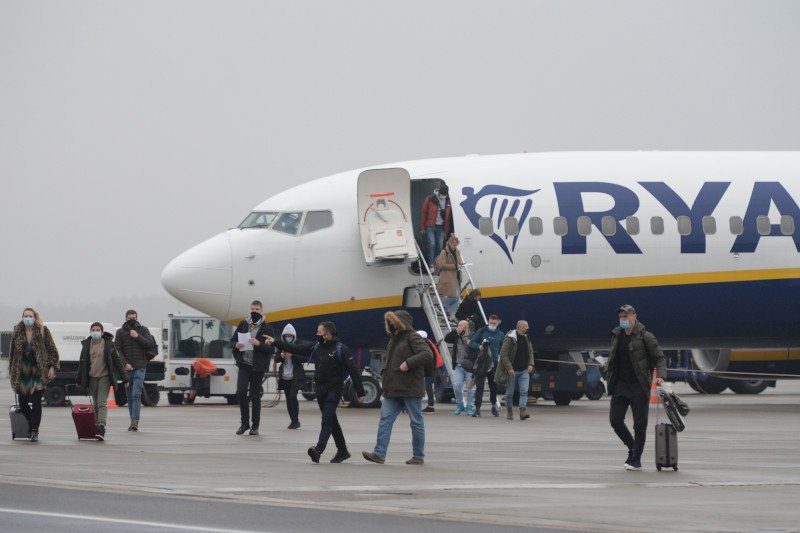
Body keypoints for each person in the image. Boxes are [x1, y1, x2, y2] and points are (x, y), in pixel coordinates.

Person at [267, 321, 364, 463]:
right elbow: (295, 348)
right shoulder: (316, 346)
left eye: (319, 332)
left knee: (326, 420)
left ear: (327, 335)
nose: (316, 334)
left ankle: (318, 450)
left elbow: (353, 371)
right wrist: (276, 342)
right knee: (331, 421)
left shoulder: (341, 349)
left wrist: (360, 392)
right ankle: (343, 451)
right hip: (320, 390)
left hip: (334, 390)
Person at [363, 311, 433, 465]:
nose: (390, 324)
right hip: (392, 389)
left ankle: (418, 456)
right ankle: (379, 454)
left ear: (401, 322)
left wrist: (408, 363)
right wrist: (384, 373)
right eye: (389, 322)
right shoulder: (393, 339)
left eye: (393, 321)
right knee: (385, 420)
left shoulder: (413, 337)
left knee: (416, 422)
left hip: (410, 388)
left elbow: (427, 354)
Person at [604, 304, 666, 471]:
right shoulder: (617, 335)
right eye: (620, 317)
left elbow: (660, 358)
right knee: (615, 420)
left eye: (626, 316)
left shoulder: (646, 336)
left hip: (639, 386)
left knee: (639, 425)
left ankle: (636, 459)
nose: (622, 319)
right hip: (620, 385)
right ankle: (632, 447)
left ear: (634, 317)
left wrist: (661, 376)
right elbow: (613, 358)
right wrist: (607, 370)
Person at [8, 308, 60, 442]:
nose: (28, 318)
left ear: (34, 317)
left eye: (30, 316)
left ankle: (34, 431)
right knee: (23, 402)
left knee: (36, 401)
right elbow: (12, 353)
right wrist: (12, 371)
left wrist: (52, 367)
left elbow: (52, 350)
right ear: (22, 317)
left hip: (38, 371)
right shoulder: (17, 332)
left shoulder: (43, 330)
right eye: (25, 316)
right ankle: (32, 424)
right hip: (23, 371)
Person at [76, 322, 129, 440]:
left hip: (104, 377)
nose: (95, 332)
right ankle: (97, 427)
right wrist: (79, 380)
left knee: (101, 403)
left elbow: (117, 362)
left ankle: (101, 427)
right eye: (93, 330)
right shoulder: (86, 345)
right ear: (90, 332)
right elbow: (82, 364)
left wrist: (125, 378)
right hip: (92, 378)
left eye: (97, 330)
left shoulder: (108, 345)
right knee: (95, 404)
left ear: (102, 332)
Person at [231, 301, 275, 436]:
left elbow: (271, 349)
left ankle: (255, 426)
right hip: (244, 364)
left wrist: (258, 344)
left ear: (261, 311)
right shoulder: (243, 324)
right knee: (241, 391)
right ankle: (244, 423)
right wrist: (236, 345)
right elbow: (232, 340)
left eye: (257, 309)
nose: (254, 311)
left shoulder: (267, 328)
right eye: (252, 309)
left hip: (258, 366)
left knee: (255, 396)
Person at [114, 309, 155, 432]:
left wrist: (137, 336)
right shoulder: (120, 332)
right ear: (126, 318)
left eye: (134, 318)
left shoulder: (143, 330)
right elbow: (117, 350)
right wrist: (125, 364)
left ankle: (135, 422)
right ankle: (132, 420)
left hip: (140, 367)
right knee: (130, 396)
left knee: (136, 394)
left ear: (137, 318)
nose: (132, 320)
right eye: (129, 318)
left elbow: (149, 344)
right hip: (127, 370)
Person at [495, 320, 534, 421]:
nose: (527, 328)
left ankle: (522, 412)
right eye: (526, 326)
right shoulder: (510, 339)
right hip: (512, 371)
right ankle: (509, 411)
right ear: (520, 327)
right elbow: (503, 354)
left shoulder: (527, 338)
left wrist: (530, 364)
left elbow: (530, 353)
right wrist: (509, 368)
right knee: (509, 393)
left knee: (524, 391)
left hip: (524, 370)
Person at [469, 314, 504, 417]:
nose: (492, 325)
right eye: (491, 323)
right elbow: (471, 343)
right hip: (482, 363)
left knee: (494, 387)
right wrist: (479, 346)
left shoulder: (501, 334)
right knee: (479, 387)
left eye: (494, 323)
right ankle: (477, 409)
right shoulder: (481, 331)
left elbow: (503, 348)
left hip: (494, 364)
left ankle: (493, 406)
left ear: (498, 323)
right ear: (488, 322)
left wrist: (500, 357)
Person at [275, 323, 306, 429]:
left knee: (293, 396)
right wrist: (282, 355)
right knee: (288, 399)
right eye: (286, 336)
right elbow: (276, 359)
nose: (288, 338)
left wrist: (292, 354)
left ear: (294, 336)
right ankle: (293, 421)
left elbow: (303, 358)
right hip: (285, 376)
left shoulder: (298, 345)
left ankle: (296, 420)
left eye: (290, 336)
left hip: (295, 376)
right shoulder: (281, 345)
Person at [443, 320, 475, 415]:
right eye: (458, 325)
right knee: (457, 386)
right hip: (458, 365)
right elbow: (447, 339)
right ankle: (460, 405)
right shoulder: (456, 335)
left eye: (460, 325)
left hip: (470, 366)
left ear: (466, 327)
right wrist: (455, 331)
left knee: (470, 388)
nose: (458, 327)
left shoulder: (473, 336)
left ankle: (469, 406)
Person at [419, 183, 453, 268]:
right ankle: (431, 264)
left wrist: (446, 231)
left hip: (441, 227)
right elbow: (424, 213)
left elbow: (448, 218)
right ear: (439, 193)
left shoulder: (448, 201)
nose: (443, 196)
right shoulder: (430, 199)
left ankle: (437, 264)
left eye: (445, 195)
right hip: (430, 226)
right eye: (442, 194)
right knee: (432, 245)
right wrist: (422, 227)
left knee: (440, 246)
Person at [436, 234, 463, 321]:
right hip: (449, 276)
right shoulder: (444, 252)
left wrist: (461, 265)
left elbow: (459, 262)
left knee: (457, 296)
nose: (455, 246)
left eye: (456, 244)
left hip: (457, 276)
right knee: (454, 296)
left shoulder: (457, 251)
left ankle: (452, 314)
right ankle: (441, 306)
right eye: (453, 244)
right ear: (449, 243)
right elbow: (441, 265)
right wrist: (455, 266)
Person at [417, 330, 442, 413]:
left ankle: (430, 406)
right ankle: (430, 406)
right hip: (432, 368)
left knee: (428, 387)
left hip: (430, 369)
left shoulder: (424, 344)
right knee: (428, 387)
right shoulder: (429, 342)